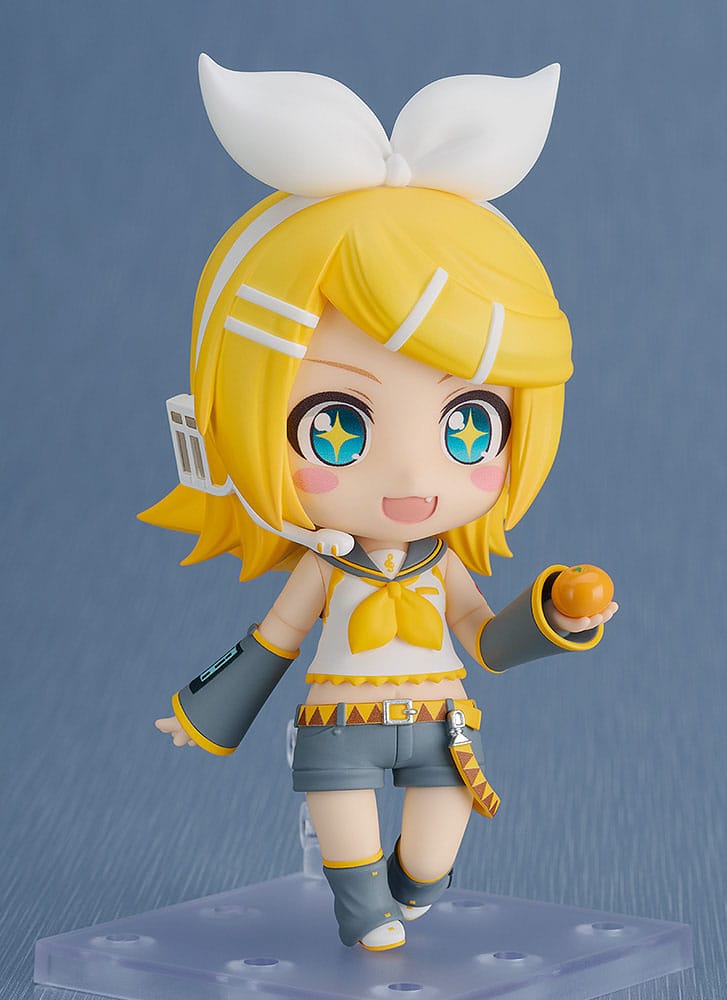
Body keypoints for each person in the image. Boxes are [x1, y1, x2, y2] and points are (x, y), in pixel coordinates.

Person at [142, 56, 618, 951]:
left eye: (469, 426)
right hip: (339, 723)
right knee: (346, 835)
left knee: (434, 852)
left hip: (439, 722)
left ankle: (410, 889)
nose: (409, 473)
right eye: (336, 429)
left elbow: (485, 640)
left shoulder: (445, 561)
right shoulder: (326, 562)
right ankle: (362, 910)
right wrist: (207, 709)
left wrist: (555, 616)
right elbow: (275, 639)